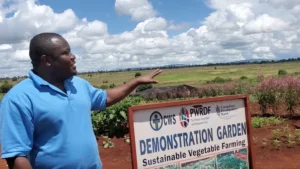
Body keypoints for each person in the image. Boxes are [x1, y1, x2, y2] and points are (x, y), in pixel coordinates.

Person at [0, 32, 162, 169]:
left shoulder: (78, 84)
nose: (73, 57)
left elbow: (106, 98)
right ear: (47, 60)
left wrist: (135, 82)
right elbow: (16, 156)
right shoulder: (19, 98)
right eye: (66, 53)